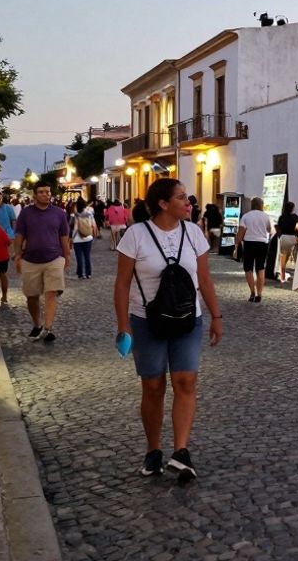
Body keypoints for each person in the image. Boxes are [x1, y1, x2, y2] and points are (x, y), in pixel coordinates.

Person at [113, 178, 222, 484]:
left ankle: (182, 451)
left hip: (188, 318)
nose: (188, 203)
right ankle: (153, 450)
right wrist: (123, 324)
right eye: (181, 198)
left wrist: (216, 315)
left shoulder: (194, 233)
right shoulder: (136, 235)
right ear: (163, 204)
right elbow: (122, 283)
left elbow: (204, 276)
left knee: (186, 381)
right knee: (153, 386)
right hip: (147, 320)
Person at [15, 184, 72, 343]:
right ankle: (37, 324)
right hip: (30, 260)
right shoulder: (26, 214)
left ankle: (48, 328)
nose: (45, 194)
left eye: (48, 192)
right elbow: (19, 235)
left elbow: (64, 236)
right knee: (31, 296)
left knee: (51, 293)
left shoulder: (59, 213)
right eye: (41, 192)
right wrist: (17, 255)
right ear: (34, 195)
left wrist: (67, 255)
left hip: (54, 259)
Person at [234, 198, 272, 302]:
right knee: (260, 268)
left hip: (249, 244)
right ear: (261, 205)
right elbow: (269, 230)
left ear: (252, 205)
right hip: (262, 244)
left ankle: (252, 292)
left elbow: (241, 232)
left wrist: (236, 246)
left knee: (248, 268)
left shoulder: (246, 216)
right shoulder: (266, 216)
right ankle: (259, 294)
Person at [275, 201, 298, 283]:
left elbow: (278, 227)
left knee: (283, 259)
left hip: (284, 237)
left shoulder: (282, 217)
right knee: (296, 258)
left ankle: (282, 277)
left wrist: (280, 236)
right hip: (293, 238)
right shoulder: (296, 217)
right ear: (293, 208)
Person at [72, 198, 97, 279]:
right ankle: (88, 273)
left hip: (77, 239)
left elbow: (75, 227)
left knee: (79, 257)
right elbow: (93, 225)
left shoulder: (76, 214)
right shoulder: (89, 213)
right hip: (88, 237)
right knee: (87, 256)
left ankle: (80, 274)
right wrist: (94, 234)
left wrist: (72, 238)